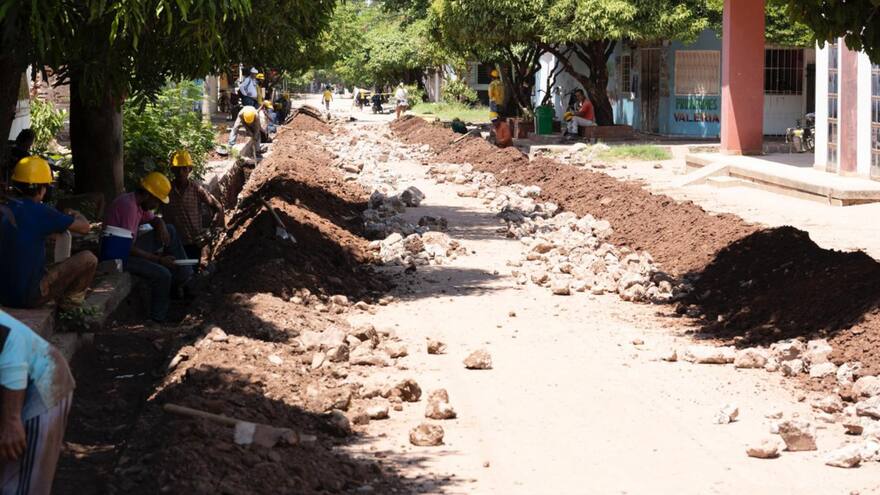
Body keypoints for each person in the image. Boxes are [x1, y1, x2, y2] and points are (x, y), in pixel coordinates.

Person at [0, 156, 97, 310]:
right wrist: (76, 214)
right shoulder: (42, 212)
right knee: (89, 259)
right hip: (28, 297)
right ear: (42, 189)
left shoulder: (6, 208)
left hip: (4, 296)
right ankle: (69, 306)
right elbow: (85, 228)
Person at [0, 310, 75, 495]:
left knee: (24, 482)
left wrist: (11, 420)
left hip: (43, 379)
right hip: (10, 386)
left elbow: (13, 340)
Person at [104, 172, 193, 323]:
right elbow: (128, 248)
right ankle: (157, 319)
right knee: (163, 275)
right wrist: (159, 260)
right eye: (157, 201)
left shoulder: (138, 204)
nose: (156, 206)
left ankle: (184, 279)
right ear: (148, 195)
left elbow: (154, 219)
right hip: (118, 256)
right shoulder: (129, 207)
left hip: (126, 247)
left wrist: (161, 224)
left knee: (170, 230)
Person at [162, 151, 225, 265]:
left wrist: (210, 231)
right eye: (177, 169)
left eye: (184, 169)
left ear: (189, 169)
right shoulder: (165, 190)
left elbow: (218, 207)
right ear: (172, 170)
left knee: (192, 271)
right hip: (173, 243)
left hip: (193, 242)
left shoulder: (196, 189)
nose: (181, 172)